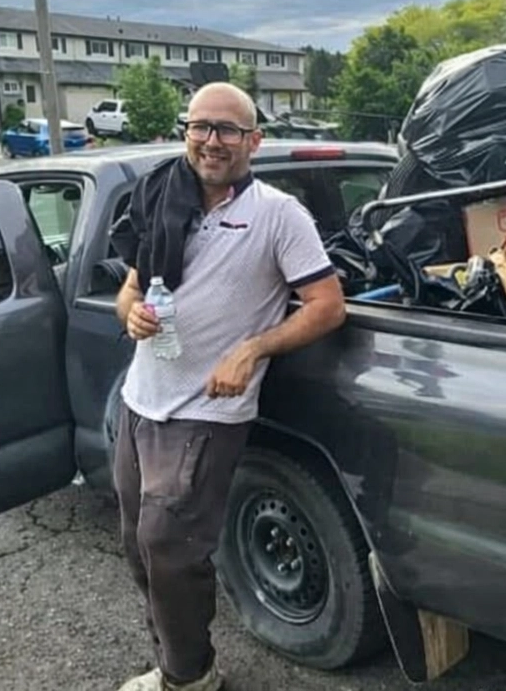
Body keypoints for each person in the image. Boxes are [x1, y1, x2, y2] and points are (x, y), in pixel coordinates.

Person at [109, 82, 347, 691]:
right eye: (202, 127)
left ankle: (189, 677)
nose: (213, 141)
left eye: (229, 130)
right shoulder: (163, 199)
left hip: (207, 412)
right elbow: (131, 290)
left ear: (254, 141)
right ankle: (175, 661)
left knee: (169, 546)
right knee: (141, 550)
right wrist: (130, 312)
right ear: (186, 131)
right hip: (142, 402)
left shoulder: (277, 214)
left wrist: (254, 347)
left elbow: (327, 305)